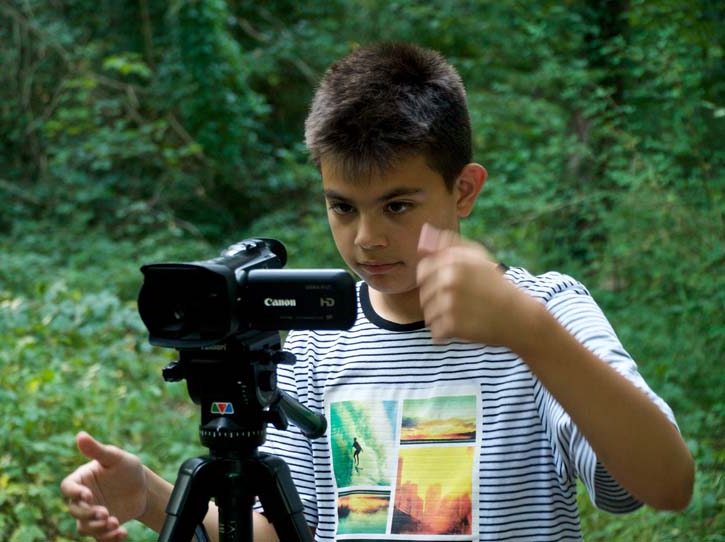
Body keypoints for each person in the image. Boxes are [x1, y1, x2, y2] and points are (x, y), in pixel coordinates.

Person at [61, 41, 694, 541]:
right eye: (342, 207)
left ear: (464, 190)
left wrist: (529, 334)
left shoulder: (546, 310)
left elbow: (664, 485)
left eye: (397, 206)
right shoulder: (314, 345)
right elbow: (278, 531)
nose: (367, 238)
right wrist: (149, 496)